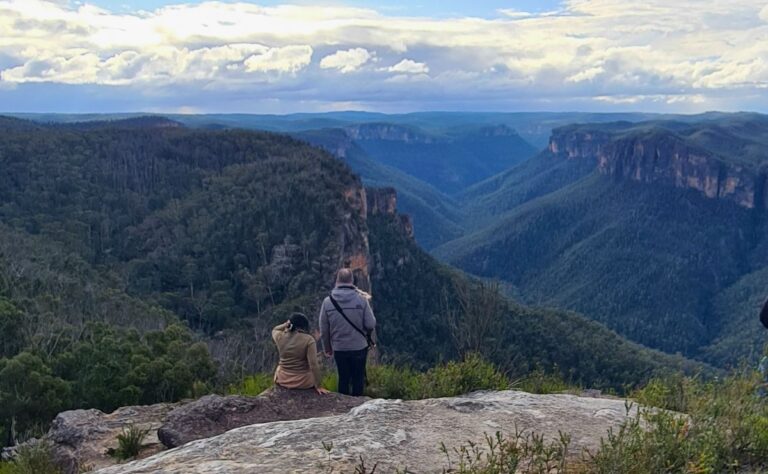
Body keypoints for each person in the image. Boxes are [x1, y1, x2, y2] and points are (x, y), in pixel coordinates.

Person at [319, 268, 376, 396]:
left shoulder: (328, 302)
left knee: (343, 378)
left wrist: (327, 348)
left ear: (337, 281)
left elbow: (324, 329)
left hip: (339, 348)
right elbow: (370, 324)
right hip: (359, 347)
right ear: (352, 281)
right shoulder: (362, 300)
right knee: (358, 378)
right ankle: (358, 408)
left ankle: (343, 408)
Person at [272, 313, 329, 394]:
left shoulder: (280, 336)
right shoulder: (308, 340)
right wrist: (318, 385)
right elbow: (313, 364)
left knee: (279, 367)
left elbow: (275, 329)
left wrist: (286, 324)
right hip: (303, 381)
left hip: (282, 379)